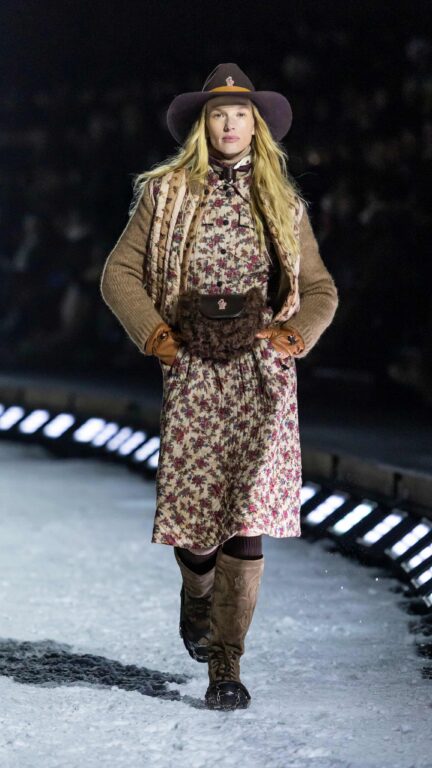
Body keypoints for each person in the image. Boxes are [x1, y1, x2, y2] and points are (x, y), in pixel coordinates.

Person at [100, 62, 339, 710]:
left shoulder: (282, 202)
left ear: (256, 126)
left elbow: (320, 289)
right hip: (195, 371)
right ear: (202, 125)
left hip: (261, 376)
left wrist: (296, 336)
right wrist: (156, 335)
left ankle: (225, 665)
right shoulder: (166, 194)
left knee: (247, 517)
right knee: (197, 523)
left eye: (240, 114)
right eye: (218, 114)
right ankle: (197, 592)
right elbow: (119, 273)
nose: (230, 124)